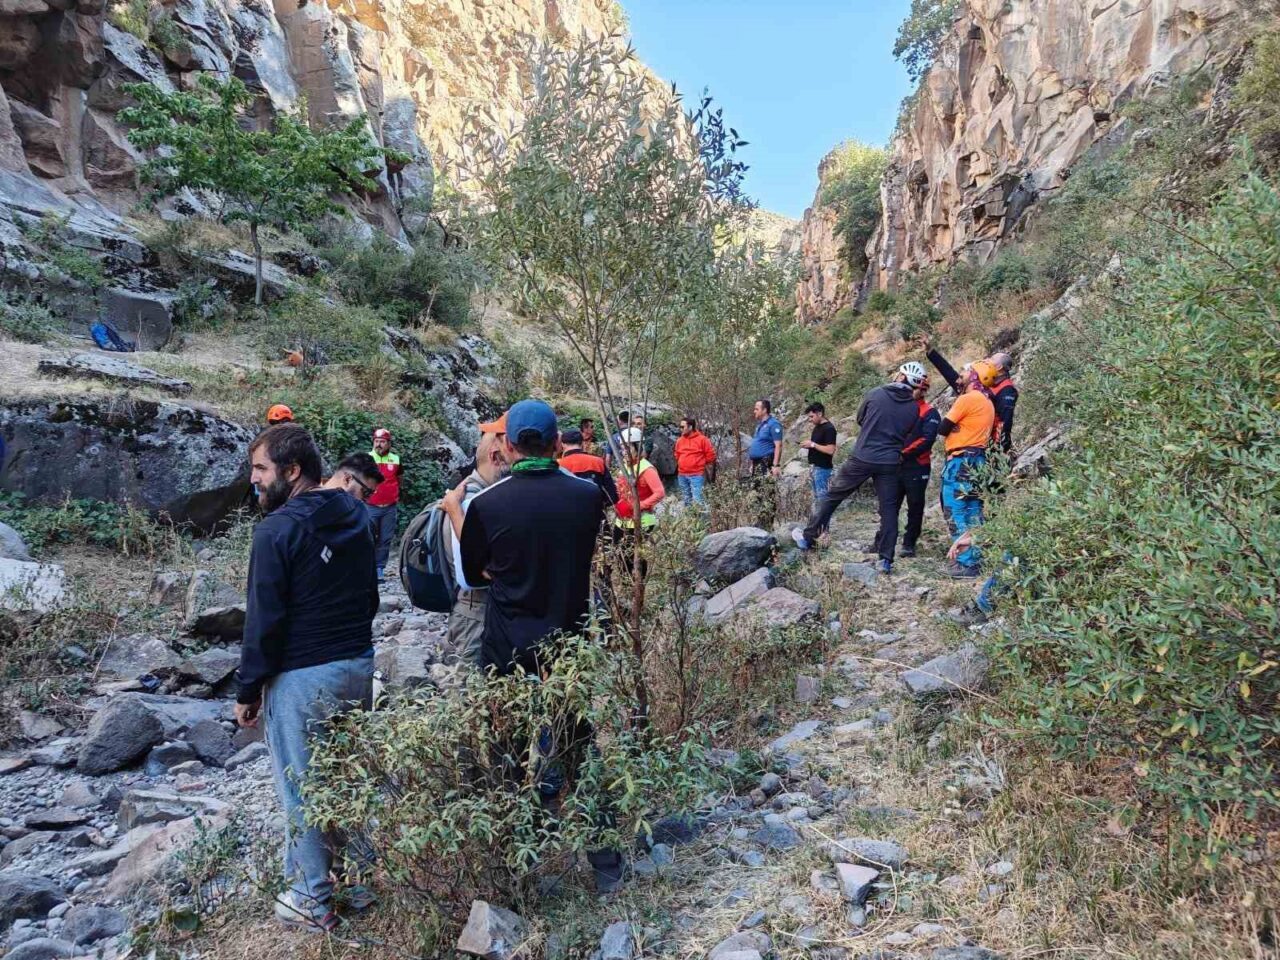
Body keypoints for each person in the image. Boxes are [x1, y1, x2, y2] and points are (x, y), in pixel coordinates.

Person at [233, 424, 379, 933]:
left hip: (303, 675)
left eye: (260, 470)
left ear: (292, 472)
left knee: (302, 788)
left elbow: (264, 620)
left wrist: (248, 691)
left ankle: (311, 899)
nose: (252, 480)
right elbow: (370, 594)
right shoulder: (357, 513)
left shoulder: (274, 531)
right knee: (347, 775)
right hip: (357, 665)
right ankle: (360, 882)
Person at [450, 400, 604, 674]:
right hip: (568, 647)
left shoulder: (485, 504)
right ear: (557, 442)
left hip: (507, 649)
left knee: (510, 717)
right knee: (567, 717)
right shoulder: (588, 495)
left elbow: (474, 576)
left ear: (507, 444)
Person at [791, 369, 921, 574]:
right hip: (889, 462)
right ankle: (886, 560)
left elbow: (861, 419)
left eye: (898, 373)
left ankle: (808, 538)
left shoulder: (876, 393)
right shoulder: (914, 408)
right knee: (888, 510)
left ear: (902, 377)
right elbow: (907, 432)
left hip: (863, 456)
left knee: (833, 496)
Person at [437, 421, 511, 666]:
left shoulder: (475, 497)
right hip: (475, 618)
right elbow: (480, 571)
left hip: (481, 613)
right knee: (469, 690)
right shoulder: (470, 502)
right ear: (497, 457)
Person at [938, 362, 996, 578]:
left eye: (963, 373)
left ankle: (965, 562)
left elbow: (942, 428)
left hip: (960, 462)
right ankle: (977, 558)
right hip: (978, 461)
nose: (958, 377)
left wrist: (955, 426)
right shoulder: (987, 402)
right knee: (973, 510)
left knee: (955, 509)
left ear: (973, 377)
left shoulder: (967, 399)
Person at [920, 336, 1018, 453]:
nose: (987, 360)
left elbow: (1004, 423)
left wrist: (999, 449)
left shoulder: (1007, 390)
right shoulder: (980, 385)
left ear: (999, 367)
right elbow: (954, 377)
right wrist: (931, 352)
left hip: (988, 445)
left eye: (991, 359)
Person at [613, 427, 666, 576]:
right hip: (622, 521)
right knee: (620, 555)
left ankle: (638, 588)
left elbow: (659, 493)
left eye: (626, 447)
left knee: (635, 558)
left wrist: (639, 506)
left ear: (637, 446)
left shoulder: (646, 469)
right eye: (622, 447)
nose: (623, 451)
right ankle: (626, 585)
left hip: (641, 520)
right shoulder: (625, 466)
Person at [366, 428, 402, 580]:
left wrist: (396, 494)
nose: (379, 444)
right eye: (376, 441)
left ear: (388, 444)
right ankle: (367, 568)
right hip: (370, 505)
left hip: (389, 507)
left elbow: (400, 479)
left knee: (385, 539)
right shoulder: (367, 458)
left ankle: (380, 569)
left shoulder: (396, 459)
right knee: (368, 537)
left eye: (382, 442)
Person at [559, 428, 618, 505]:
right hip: (595, 511)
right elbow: (612, 495)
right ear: (582, 443)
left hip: (568, 511)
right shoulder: (598, 462)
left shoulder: (559, 465)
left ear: (563, 444)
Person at [673, 416, 716, 508]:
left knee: (698, 500)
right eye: (680, 427)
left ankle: (701, 521)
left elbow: (710, 455)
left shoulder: (702, 439)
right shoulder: (679, 441)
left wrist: (698, 464)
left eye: (682, 427)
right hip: (682, 475)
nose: (680, 429)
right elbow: (677, 454)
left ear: (690, 427)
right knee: (686, 499)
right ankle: (690, 520)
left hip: (697, 475)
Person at [798, 402, 837, 500]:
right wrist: (809, 446)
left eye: (811, 417)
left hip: (823, 469)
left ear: (820, 414)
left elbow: (830, 450)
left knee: (822, 498)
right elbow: (818, 446)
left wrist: (812, 444)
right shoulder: (817, 427)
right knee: (817, 498)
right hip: (814, 467)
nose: (810, 420)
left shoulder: (829, 429)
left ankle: (825, 515)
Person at [748, 399, 784, 477]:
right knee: (757, 488)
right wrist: (753, 464)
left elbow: (779, 445)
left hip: (766, 462)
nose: (754, 411)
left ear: (764, 410)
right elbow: (758, 444)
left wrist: (775, 465)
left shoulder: (773, 424)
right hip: (756, 463)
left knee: (765, 488)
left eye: (756, 409)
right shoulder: (759, 425)